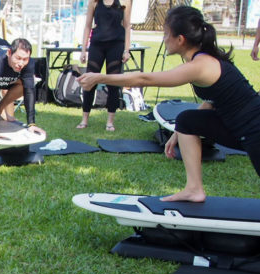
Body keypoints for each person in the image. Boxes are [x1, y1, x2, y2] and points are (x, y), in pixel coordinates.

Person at [79, 6, 260, 202]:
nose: (164, 39)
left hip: (254, 130)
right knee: (186, 120)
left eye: (166, 34)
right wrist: (180, 132)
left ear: (180, 39)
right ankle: (194, 189)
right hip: (239, 129)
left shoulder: (200, 66)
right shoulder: (202, 60)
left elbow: (145, 79)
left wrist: (99, 77)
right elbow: (212, 101)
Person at [0, 39, 45, 147]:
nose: (21, 63)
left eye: (25, 59)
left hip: (5, 78)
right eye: (18, 58)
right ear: (9, 53)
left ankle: (0, 109)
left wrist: (31, 124)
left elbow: (29, 91)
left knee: (24, 85)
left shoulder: (28, 64)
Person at [77, 0, 132, 132]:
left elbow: (127, 26)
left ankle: (110, 121)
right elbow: (87, 26)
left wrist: (126, 50)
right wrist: (83, 49)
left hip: (116, 45)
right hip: (97, 45)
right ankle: (84, 119)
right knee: (89, 82)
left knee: (113, 83)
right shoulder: (94, 2)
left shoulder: (124, 2)